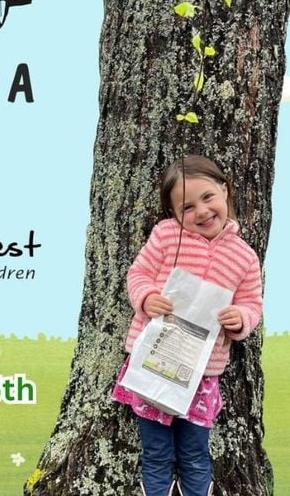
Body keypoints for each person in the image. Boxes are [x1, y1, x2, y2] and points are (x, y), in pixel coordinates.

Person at [111, 155, 263, 496]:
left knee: (195, 453)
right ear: (174, 215)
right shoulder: (166, 237)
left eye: (208, 197)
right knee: (156, 453)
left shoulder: (244, 257)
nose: (202, 212)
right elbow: (138, 274)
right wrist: (147, 297)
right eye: (187, 208)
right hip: (154, 363)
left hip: (203, 374)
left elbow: (252, 304)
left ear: (224, 191)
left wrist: (240, 318)